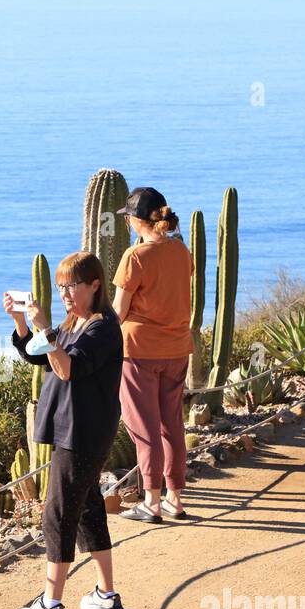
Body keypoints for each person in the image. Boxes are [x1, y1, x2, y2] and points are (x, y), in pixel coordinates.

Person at [6, 252, 124, 609]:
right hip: (74, 429)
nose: (65, 294)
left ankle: (52, 603)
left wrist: (44, 331)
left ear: (95, 285)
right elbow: (40, 356)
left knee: (58, 514)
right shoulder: (76, 321)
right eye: (61, 287)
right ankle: (106, 595)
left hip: (82, 432)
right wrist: (23, 324)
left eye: (72, 285)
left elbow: (69, 368)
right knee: (88, 509)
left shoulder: (102, 328)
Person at [112, 186, 194, 523]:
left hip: (139, 352)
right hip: (177, 348)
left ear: (135, 220)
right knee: (171, 425)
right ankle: (175, 498)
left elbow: (118, 311)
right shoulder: (180, 250)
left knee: (144, 428)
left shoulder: (135, 257)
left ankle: (151, 501)